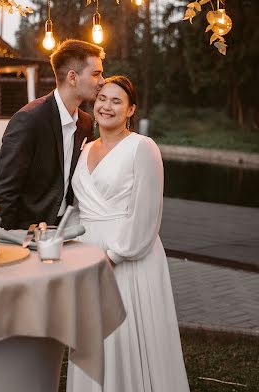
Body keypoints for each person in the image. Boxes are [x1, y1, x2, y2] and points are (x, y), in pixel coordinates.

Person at [67, 76, 190, 392]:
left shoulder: (142, 147)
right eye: (102, 98)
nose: (106, 106)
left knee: (123, 335)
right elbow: (78, 208)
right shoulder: (83, 148)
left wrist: (114, 255)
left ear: (131, 109)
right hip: (87, 256)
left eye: (116, 101)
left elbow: (147, 212)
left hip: (127, 257)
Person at [0, 39, 105, 230]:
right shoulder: (28, 120)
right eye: (96, 74)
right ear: (72, 77)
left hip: (66, 228)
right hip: (26, 231)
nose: (102, 81)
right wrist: (12, 239)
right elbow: (5, 191)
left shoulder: (85, 123)